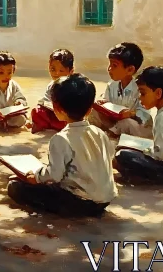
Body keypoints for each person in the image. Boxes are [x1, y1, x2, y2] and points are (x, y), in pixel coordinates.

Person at [7, 74, 116, 217]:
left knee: (15, 187)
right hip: (105, 200)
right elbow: (108, 157)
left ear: (57, 108)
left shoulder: (60, 139)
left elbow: (55, 175)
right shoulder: (100, 133)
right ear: (90, 109)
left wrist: (36, 177)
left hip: (79, 203)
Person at [87, 43, 152, 138]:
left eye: (114, 65)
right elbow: (107, 101)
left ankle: (110, 135)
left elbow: (145, 115)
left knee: (125, 123)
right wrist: (103, 103)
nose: (109, 69)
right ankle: (108, 134)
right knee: (94, 112)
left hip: (134, 126)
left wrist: (131, 113)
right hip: (115, 122)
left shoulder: (140, 88)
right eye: (110, 64)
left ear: (130, 70)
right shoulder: (112, 84)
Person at [30, 49, 74, 133]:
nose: (56, 73)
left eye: (61, 70)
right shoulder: (51, 85)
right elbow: (46, 100)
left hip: (64, 118)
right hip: (53, 114)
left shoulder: (72, 86)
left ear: (71, 71)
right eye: (53, 69)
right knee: (37, 111)